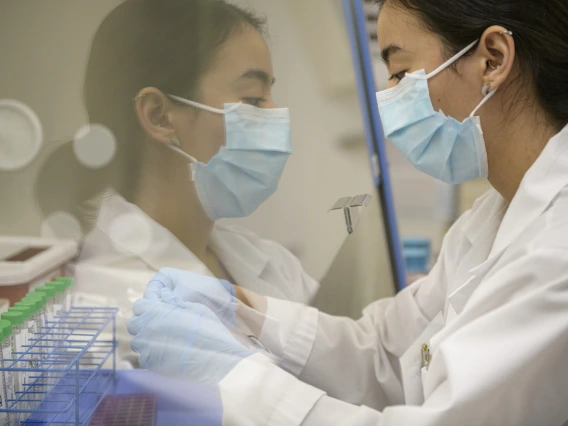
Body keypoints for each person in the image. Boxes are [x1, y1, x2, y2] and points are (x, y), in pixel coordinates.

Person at [128, 0, 568, 424]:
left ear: (492, 59)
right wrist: (245, 310)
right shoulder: (489, 219)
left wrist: (237, 380)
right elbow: (388, 354)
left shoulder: (554, 253)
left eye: (400, 72)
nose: (388, 99)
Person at [35, 0, 319, 365]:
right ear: (159, 116)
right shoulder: (110, 309)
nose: (276, 117)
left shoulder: (267, 261)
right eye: (252, 98)